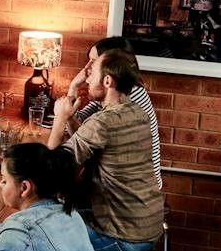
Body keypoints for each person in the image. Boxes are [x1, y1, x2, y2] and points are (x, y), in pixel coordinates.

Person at [47, 49, 164, 251]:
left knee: (40, 237)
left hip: (122, 238)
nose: (88, 77)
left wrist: (60, 119)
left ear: (107, 81)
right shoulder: (138, 114)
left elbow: (50, 167)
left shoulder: (103, 122)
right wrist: (72, 119)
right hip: (147, 230)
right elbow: (91, 143)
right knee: (57, 217)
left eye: (92, 71)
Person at [64, 36, 163, 190]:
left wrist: (72, 92)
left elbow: (78, 136)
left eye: (94, 62)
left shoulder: (129, 95)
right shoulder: (113, 92)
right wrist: (73, 89)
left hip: (131, 192)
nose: (87, 68)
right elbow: (79, 125)